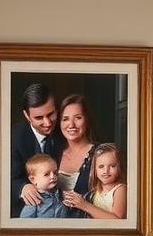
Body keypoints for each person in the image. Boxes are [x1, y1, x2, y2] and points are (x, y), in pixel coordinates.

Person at [10, 83, 63, 217]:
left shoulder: (66, 130)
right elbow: (3, 179)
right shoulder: (14, 138)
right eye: (39, 118)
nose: (48, 123)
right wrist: (22, 187)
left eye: (51, 114)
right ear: (27, 116)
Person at [57, 93, 100, 219]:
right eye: (65, 119)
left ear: (87, 119)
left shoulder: (100, 154)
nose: (71, 125)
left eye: (78, 118)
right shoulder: (54, 154)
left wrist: (84, 205)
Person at [63, 143, 127, 219]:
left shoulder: (120, 189)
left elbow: (116, 219)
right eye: (101, 167)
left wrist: (84, 205)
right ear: (95, 171)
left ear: (120, 167)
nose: (106, 171)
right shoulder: (95, 191)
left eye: (112, 166)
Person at [20, 154, 68, 218]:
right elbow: (24, 223)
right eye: (46, 174)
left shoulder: (60, 194)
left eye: (55, 173)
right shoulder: (34, 200)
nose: (53, 177)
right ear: (33, 179)